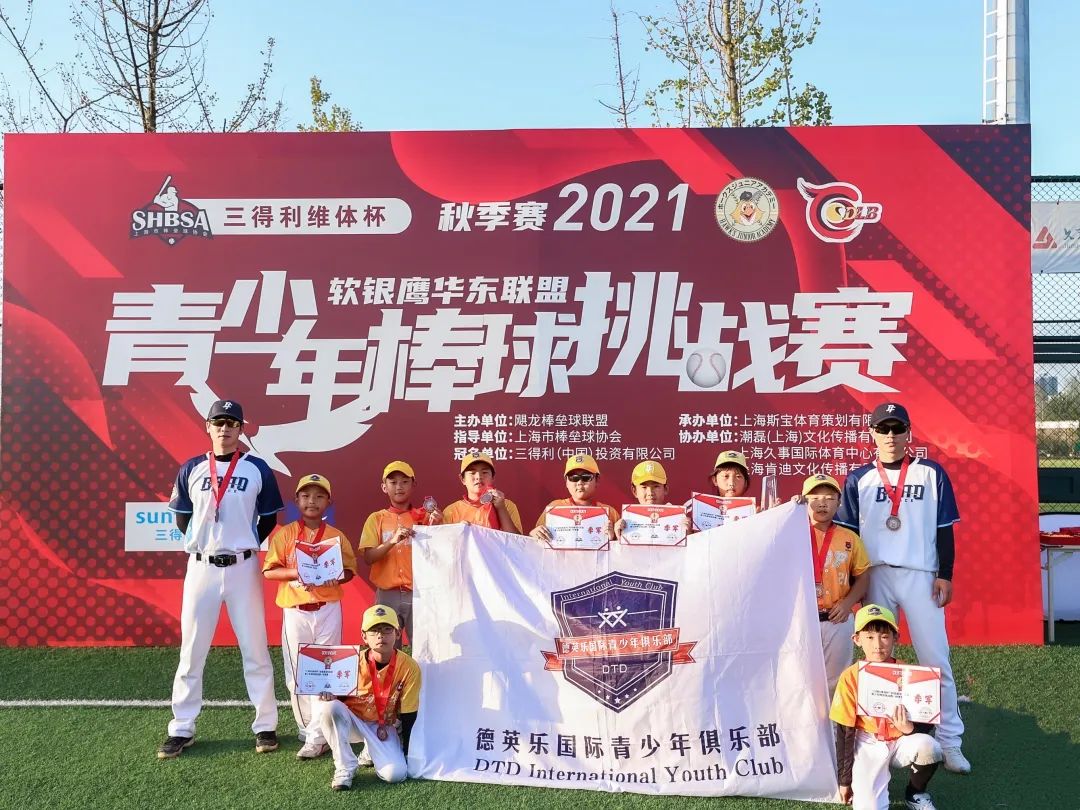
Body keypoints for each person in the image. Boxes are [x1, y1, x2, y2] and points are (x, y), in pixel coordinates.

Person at [834, 403, 969, 774]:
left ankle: (950, 742)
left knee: (935, 659)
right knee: (874, 661)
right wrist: (852, 585)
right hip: (876, 574)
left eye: (897, 428)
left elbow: (944, 528)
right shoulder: (859, 478)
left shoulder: (931, 473)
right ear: (872, 433)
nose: (890, 436)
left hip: (920, 574)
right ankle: (876, 740)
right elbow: (848, 537)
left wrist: (945, 573)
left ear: (909, 432)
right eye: (883, 429)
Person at [159, 399, 284, 759]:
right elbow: (183, 517)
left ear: (241, 429)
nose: (225, 429)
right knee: (192, 651)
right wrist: (207, 542)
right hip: (202, 567)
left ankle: (265, 725)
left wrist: (243, 542)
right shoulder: (192, 468)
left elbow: (268, 518)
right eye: (219, 422)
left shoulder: (257, 468)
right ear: (208, 427)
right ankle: (182, 727)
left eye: (232, 423)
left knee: (255, 649)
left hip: (243, 567)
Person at [262, 473, 357, 758]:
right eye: (305, 496)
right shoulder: (285, 534)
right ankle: (308, 731)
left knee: (326, 672)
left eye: (318, 496)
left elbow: (350, 571)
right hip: (296, 611)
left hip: (327, 609)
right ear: (296, 500)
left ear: (328, 501)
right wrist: (298, 572)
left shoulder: (335, 536)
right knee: (298, 674)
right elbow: (269, 571)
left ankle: (319, 734)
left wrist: (336, 576)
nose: (312, 501)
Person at [830, 604, 943, 810]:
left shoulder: (910, 673)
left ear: (895, 638)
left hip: (901, 739)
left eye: (884, 636)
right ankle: (868, 784)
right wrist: (844, 780)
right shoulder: (850, 677)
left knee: (930, 747)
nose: (877, 644)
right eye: (869, 637)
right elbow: (844, 732)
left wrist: (909, 728)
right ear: (857, 639)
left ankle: (915, 793)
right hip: (868, 741)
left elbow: (927, 720)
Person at [313, 604, 421, 791]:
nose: (380, 636)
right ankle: (345, 766)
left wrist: (407, 753)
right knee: (329, 707)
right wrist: (331, 695)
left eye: (387, 630)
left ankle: (370, 750)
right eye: (374, 631)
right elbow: (337, 700)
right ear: (364, 636)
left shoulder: (409, 667)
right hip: (352, 722)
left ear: (397, 633)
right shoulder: (349, 661)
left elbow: (409, 715)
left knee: (395, 774)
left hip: (383, 726)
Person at [359, 461, 443, 646]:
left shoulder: (425, 517)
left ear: (413, 485)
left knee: (424, 648)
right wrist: (392, 541)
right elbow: (368, 558)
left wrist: (437, 527)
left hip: (420, 592)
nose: (399, 487)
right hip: (387, 594)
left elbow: (439, 555)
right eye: (393, 482)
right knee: (386, 648)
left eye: (405, 481)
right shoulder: (376, 518)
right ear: (384, 487)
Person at [801, 473, 870, 697]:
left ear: (839, 503)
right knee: (800, 679)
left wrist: (848, 603)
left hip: (837, 619)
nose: (822, 503)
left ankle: (833, 721)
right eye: (814, 498)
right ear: (803, 501)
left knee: (836, 681)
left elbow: (863, 576)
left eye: (830, 498)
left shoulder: (850, 538)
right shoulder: (792, 534)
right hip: (802, 620)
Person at [529, 454, 619, 544]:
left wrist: (612, 539)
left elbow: (621, 549)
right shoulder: (554, 508)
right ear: (566, 482)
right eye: (574, 478)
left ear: (597, 480)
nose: (580, 482)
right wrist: (533, 534)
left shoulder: (610, 513)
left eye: (586, 477)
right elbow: (535, 545)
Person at [442, 452, 523, 533]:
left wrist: (501, 508)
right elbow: (444, 539)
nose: (478, 477)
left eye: (484, 472)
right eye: (472, 473)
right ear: (462, 479)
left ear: (492, 477)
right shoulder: (451, 511)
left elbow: (516, 540)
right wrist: (458, 531)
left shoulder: (507, 506)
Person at [614, 460, 688, 540]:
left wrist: (688, 536)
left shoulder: (677, 519)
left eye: (656, 486)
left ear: (665, 489)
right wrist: (619, 538)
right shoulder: (627, 522)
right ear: (634, 491)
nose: (650, 493)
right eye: (644, 487)